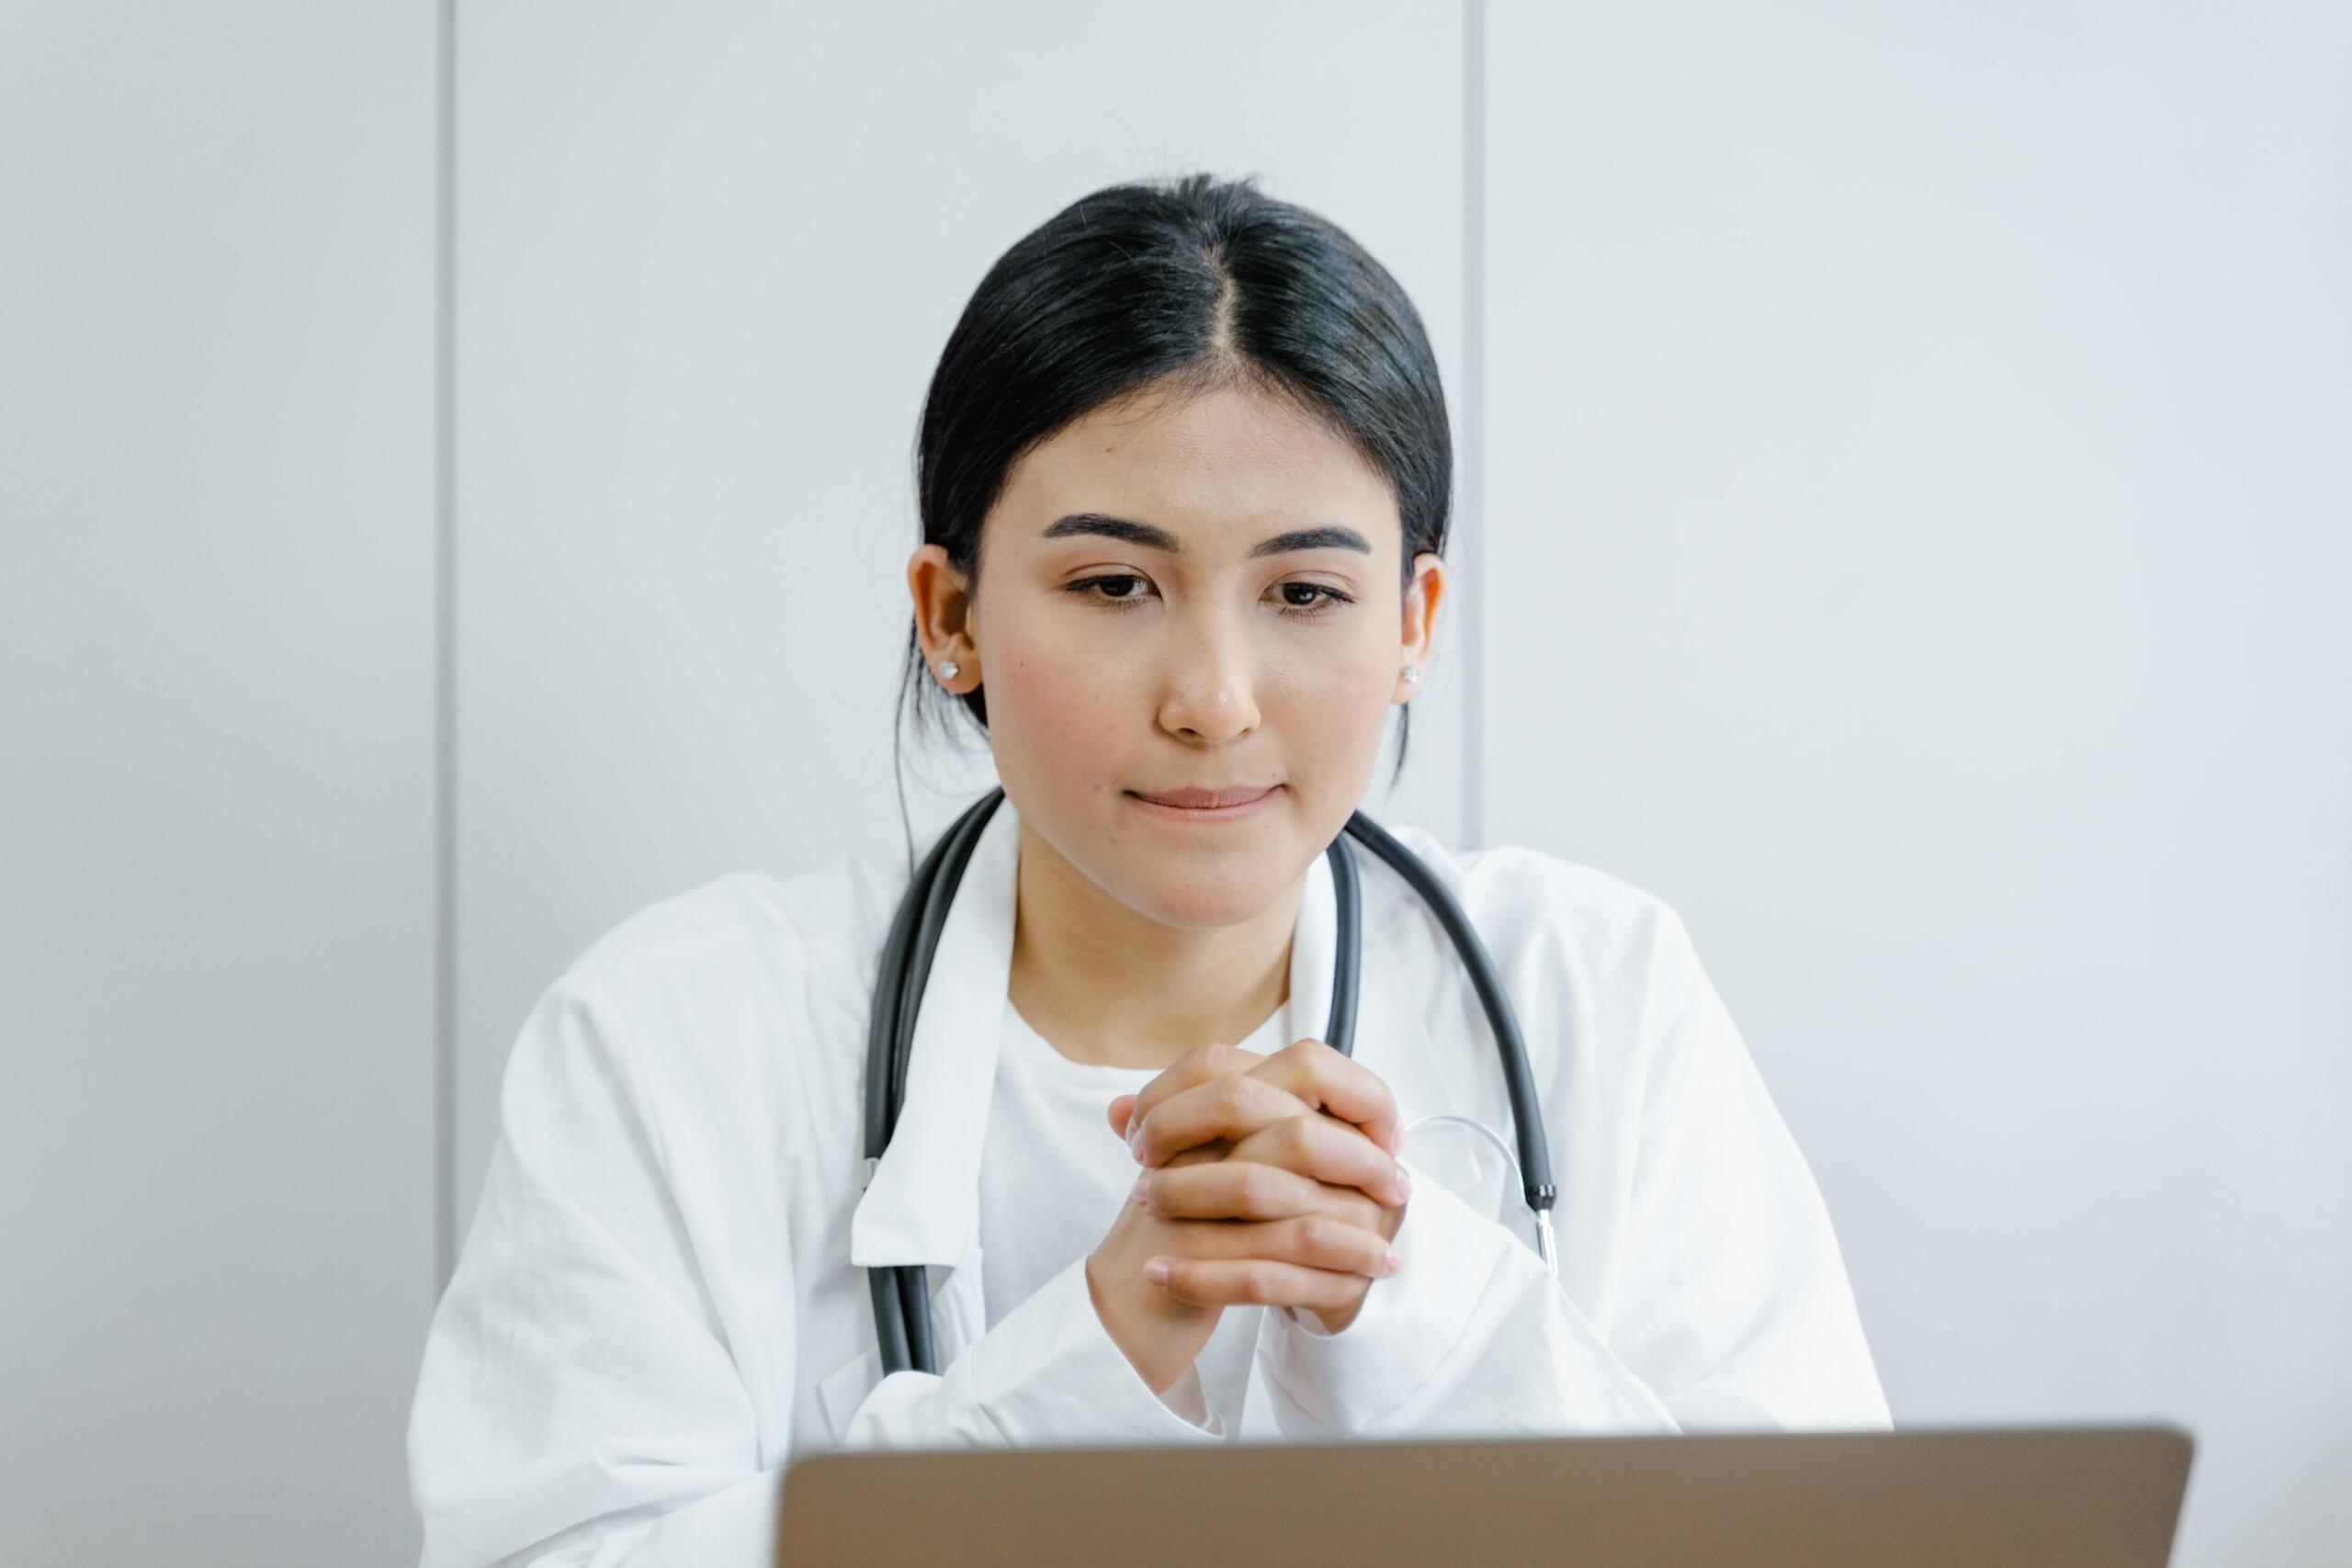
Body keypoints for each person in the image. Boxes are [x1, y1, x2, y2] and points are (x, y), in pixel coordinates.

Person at [405, 172, 1891, 1567]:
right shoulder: (678, 1040)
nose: (1214, 698)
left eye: (1306, 591)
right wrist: (1081, 1368)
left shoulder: (1595, 992)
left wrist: (1422, 1302)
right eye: (1113, 584)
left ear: (1415, 624)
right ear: (953, 614)